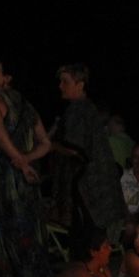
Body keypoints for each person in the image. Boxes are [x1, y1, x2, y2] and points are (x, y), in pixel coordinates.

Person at [0, 61, 53, 277]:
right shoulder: (28, 106)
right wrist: (27, 159)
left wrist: (20, 161)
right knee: (29, 227)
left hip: (5, 174)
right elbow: (45, 143)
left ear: (7, 78)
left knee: (1, 228)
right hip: (26, 175)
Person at [52, 63, 127, 248]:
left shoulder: (78, 110)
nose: (60, 86)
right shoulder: (87, 109)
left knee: (88, 239)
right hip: (96, 186)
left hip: (90, 187)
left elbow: (75, 150)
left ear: (80, 84)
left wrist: (50, 146)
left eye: (65, 82)